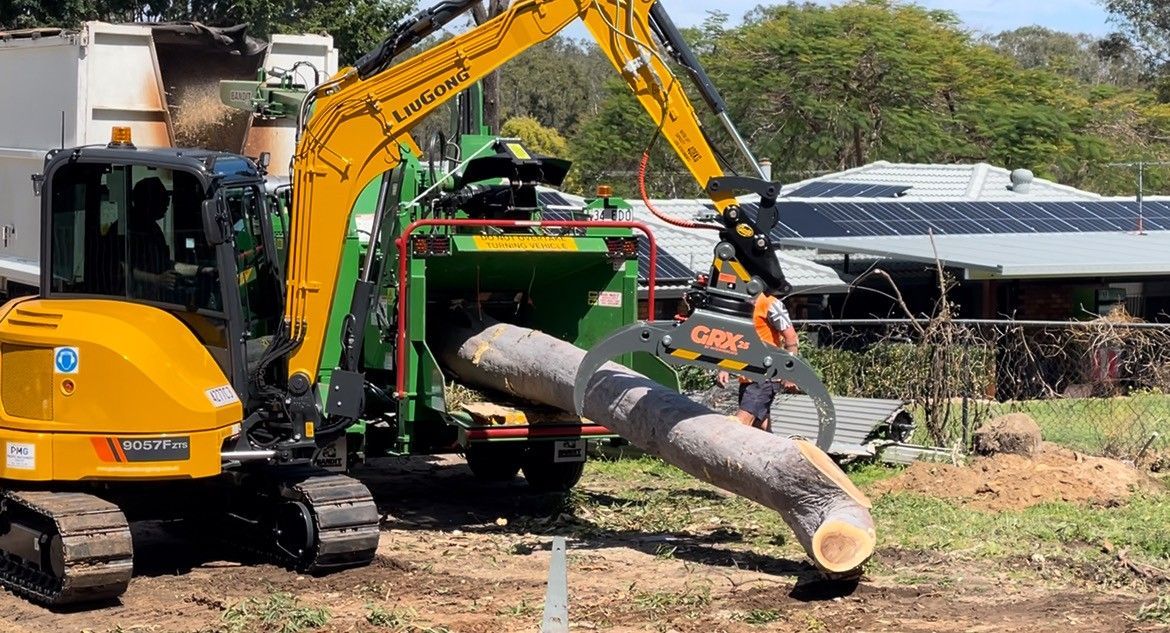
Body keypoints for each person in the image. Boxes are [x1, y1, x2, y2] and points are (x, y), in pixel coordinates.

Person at [716, 289, 799, 433]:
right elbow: (733, 339)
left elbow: (791, 338)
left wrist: (789, 373)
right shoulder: (738, 301)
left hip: (765, 377)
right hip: (746, 378)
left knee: (739, 425)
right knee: (761, 429)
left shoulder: (770, 303)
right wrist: (724, 367)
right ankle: (780, 453)